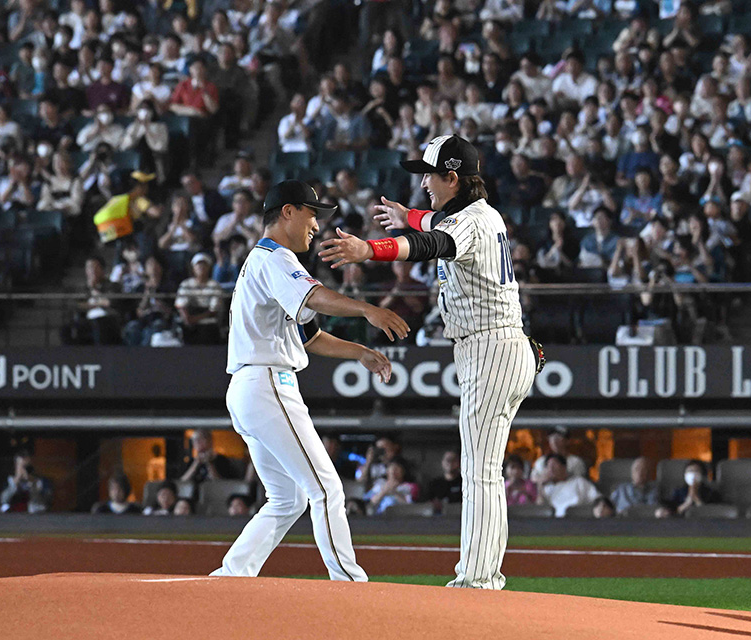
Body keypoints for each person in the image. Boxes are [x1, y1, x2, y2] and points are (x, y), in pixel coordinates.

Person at [318, 135, 543, 590]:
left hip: (491, 346)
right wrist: (408, 217)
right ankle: (484, 575)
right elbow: (436, 225)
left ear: (452, 177)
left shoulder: (471, 222)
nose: (422, 182)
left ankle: (478, 579)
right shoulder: (478, 215)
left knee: (479, 470)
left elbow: (431, 244)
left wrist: (370, 249)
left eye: (429, 174)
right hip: (494, 344)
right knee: (485, 468)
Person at [209, 179, 408, 583]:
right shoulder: (274, 257)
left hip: (251, 387)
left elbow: (311, 335)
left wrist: (361, 352)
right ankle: (349, 582)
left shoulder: (262, 261)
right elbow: (316, 297)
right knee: (326, 487)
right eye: (312, 213)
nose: (316, 224)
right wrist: (368, 310)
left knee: (287, 499)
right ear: (287, 211)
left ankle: (231, 574)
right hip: (267, 383)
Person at [535, 454, 601, 517]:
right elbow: (540, 509)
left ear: (564, 467)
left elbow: (597, 499)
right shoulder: (546, 488)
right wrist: (540, 485)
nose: (551, 469)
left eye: (554, 465)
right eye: (548, 466)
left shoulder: (579, 482)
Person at [180, 428, 246, 484]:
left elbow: (221, 484)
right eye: (195, 441)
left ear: (210, 441)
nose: (198, 443)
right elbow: (183, 482)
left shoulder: (221, 460)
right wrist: (196, 463)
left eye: (201, 439)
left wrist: (209, 463)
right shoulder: (190, 461)